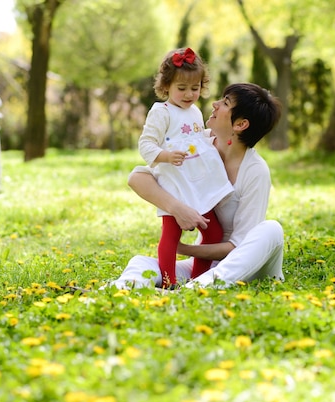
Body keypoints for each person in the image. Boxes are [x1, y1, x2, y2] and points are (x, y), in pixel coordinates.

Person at [101, 82, 284, 290]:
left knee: (272, 229)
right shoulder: (197, 144)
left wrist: (184, 248)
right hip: (205, 267)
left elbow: (238, 247)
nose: (214, 104)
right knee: (141, 263)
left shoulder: (255, 171)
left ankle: (190, 291)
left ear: (240, 124)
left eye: (225, 102)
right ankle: (113, 292)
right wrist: (178, 209)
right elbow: (137, 178)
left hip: (246, 267)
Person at [138, 47, 234, 289]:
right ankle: (169, 283)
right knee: (171, 235)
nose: (189, 94)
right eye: (181, 88)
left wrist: (209, 135)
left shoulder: (193, 111)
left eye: (195, 88)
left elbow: (193, 138)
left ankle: (197, 278)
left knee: (213, 233)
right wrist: (165, 155)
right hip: (174, 184)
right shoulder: (162, 112)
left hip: (197, 182)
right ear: (166, 86)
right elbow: (146, 144)